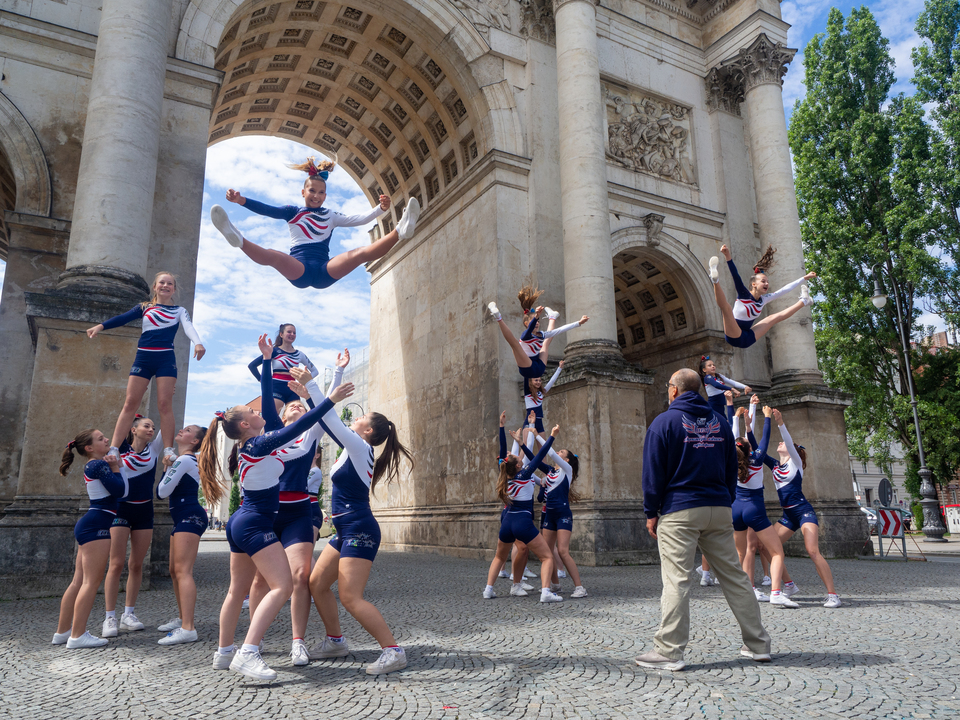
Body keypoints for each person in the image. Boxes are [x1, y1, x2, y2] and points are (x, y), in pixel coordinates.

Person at [199, 334, 353, 681]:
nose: (259, 412)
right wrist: (331, 397)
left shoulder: (255, 442)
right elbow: (294, 419)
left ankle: (224, 652)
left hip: (245, 520)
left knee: (239, 589)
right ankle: (248, 652)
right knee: (281, 587)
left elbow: (272, 403)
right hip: (256, 521)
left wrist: (268, 361)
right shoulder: (262, 442)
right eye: (251, 412)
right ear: (245, 425)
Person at [637, 368, 771, 671]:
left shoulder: (664, 422)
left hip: (680, 509)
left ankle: (669, 651)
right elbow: (732, 467)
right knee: (735, 577)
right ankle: (758, 645)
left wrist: (650, 511)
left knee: (677, 579)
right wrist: (725, 500)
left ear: (673, 390)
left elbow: (652, 472)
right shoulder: (720, 423)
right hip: (719, 508)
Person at [307, 383, 415, 675]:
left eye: (362, 417)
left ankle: (393, 651)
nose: (356, 418)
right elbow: (324, 419)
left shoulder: (359, 446)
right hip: (345, 529)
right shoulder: (351, 449)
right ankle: (335, 642)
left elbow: (330, 419)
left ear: (367, 431)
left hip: (359, 528)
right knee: (316, 583)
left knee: (351, 597)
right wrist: (311, 395)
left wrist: (310, 385)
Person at [246, 358, 345, 667]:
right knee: (261, 580)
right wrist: (266, 360)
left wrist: (338, 371)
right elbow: (267, 394)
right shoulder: (272, 432)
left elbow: (325, 407)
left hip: (299, 513)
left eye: (300, 405)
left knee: (301, 576)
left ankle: (298, 642)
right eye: (291, 406)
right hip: (269, 512)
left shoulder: (309, 433)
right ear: (281, 414)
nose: (297, 407)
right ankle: (255, 639)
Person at [210, 156, 419, 290]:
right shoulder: (292, 212)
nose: (316, 196)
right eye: (312, 191)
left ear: (325, 196)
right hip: (299, 269)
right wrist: (241, 200)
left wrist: (380, 209)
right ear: (303, 192)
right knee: (274, 256)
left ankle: (400, 231)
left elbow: (358, 219)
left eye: (321, 192)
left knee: (358, 254)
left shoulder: (331, 215)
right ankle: (238, 239)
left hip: (324, 271)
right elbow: (267, 209)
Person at [86, 271, 205, 459]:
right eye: (162, 282)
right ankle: (115, 448)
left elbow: (188, 327)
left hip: (165, 360)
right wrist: (100, 326)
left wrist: (197, 343)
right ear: (155, 287)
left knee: (164, 404)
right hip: (143, 359)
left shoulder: (179, 310)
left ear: (174, 289)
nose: (165, 286)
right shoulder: (144, 307)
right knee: (130, 403)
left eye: (170, 284)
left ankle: (168, 450)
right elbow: (123, 318)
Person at [53, 429, 128, 648]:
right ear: (89, 448)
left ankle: (62, 632)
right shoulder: (98, 465)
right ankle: (78, 636)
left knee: (78, 581)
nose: (107, 440)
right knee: (90, 582)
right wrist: (117, 467)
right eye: (101, 439)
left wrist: (114, 466)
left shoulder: (94, 465)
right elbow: (120, 491)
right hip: (97, 526)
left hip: (91, 524)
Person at [767, 409, 841, 608]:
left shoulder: (796, 462)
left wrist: (780, 422)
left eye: (784, 443)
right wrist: (748, 423)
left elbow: (787, 440)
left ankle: (833, 595)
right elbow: (757, 451)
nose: (779, 443)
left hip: (803, 511)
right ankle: (789, 585)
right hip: (788, 515)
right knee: (765, 547)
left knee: (812, 551)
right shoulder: (775, 465)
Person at [482, 424, 563, 603]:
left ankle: (488, 589)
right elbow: (540, 455)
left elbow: (505, 453)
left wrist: (508, 433)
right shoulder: (525, 474)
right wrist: (552, 435)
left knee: (499, 557)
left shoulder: (504, 476)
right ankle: (546, 592)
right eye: (518, 459)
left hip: (507, 522)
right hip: (522, 521)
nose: (520, 458)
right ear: (519, 465)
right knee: (547, 556)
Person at [102, 415, 164, 637]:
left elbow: (168, 420)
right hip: (121, 510)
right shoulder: (119, 451)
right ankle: (109, 617)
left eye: (153, 427)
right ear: (134, 429)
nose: (151, 429)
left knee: (136, 564)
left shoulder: (154, 450)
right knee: (116, 564)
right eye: (147, 426)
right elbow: (125, 415)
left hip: (144, 512)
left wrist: (166, 399)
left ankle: (128, 614)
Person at [731, 406, 797, 608]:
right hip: (754, 508)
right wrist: (767, 418)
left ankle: (744, 591)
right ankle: (776, 592)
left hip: (736, 508)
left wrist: (738, 421)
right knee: (777, 553)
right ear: (749, 449)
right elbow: (765, 439)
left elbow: (734, 439)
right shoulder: (757, 459)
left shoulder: (731, 460)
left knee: (742, 553)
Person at [155, 424, 209, 644]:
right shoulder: (184, 460)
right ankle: (182, 618)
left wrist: (166, 467)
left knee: (183, 571)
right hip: (183, 517)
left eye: (187, 430)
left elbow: (161, 492)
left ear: (194, 441)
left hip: (189, 516)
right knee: (174, 570)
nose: (181, 430)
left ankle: (188, 628)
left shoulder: (184, 460)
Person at [708, 244, 814, 349]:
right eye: (763, 281)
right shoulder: (744, 294)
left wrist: (804, 278)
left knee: (773, 318)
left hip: (747, 337)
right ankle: (715, 280)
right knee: (726, 309)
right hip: (734, 336)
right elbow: (735, 275)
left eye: (767, 282)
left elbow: (784, 290)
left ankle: (804, 300)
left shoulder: (764, 299)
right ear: (754, 284)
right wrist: (727, 255)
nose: (767, 284)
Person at [488, 302, 587, 379]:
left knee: (546, 342)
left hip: (539, 367)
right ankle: (498, 317)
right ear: (526, 323)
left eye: (538, 321)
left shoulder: (542, 334)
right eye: (534, 322)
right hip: (527, 367)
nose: (537, 323)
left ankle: (552, 317)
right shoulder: (526, 335)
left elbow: (559, 330)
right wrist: (536, 316)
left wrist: (579, 323)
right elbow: (530, 328)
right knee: (515, 345)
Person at [247, 324, 320, 413]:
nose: (292, 334)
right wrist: (263, 381)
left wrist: (303, 382)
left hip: (293, 389)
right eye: (289, 332)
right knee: (271, 417)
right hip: (276, 388)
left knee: (297, 417)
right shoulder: (273, 351)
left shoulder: (299, 354)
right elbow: (252, 366)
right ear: (281, 334)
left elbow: (315, 371)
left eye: (294, 333)